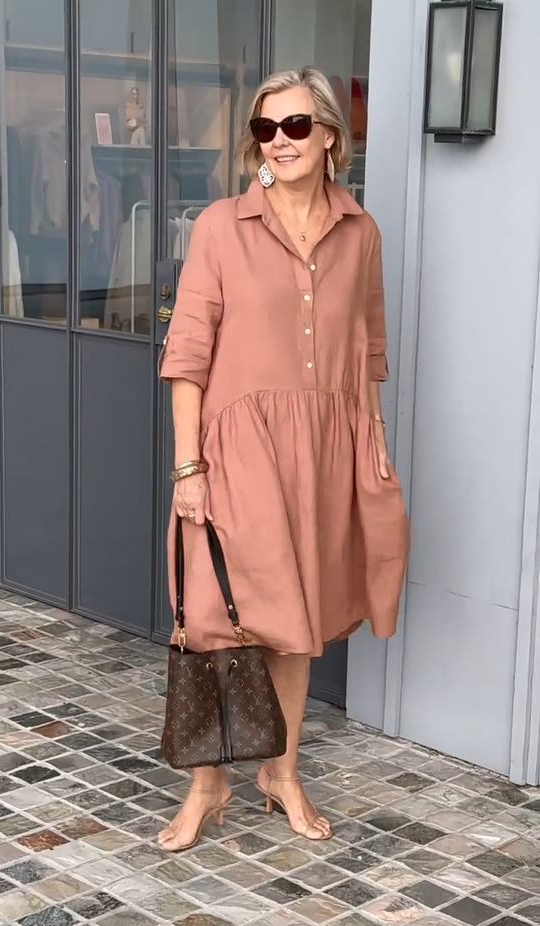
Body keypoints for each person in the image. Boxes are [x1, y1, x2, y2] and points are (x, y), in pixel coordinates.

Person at [157, 67, 408, 852]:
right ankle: (207, 783)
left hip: (324, 454)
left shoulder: (360, 233)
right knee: (215, 620)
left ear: (329, 135)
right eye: (265, 128)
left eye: (295, 126)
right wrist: (188, 468)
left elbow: (367, 352)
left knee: (296, 627)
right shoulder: (219, 226)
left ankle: (281, 770)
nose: (279, 141)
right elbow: (187, 355)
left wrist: (372, 448)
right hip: (235, 453)